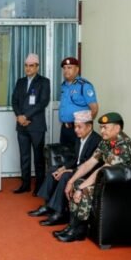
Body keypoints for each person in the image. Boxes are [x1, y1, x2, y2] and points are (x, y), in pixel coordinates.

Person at [57, 112, 131, 242]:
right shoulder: (106, 142)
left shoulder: (123, 145)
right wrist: (71, 181)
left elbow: (103, 169)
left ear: (117, 128)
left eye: (105, 127)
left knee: (85, 189)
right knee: (76, 183)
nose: (101, 131)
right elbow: (90, 163)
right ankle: (72, 225)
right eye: (101, 127)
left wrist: (81, 188)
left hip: (125, 187)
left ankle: (79, 230)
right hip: (110, 181)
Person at [28, 110, 101, 226]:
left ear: (89, 126)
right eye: (75, 126)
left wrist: (69, 170)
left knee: (65, 176)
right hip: (77, 168)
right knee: (53, 170)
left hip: (87, 173)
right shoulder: (79, 137)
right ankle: (48, 206)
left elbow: (88, 165)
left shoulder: (96, 141)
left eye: (79, 127)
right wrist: (63, 167)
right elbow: (76, 158)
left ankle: (60, 212)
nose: (76, 130)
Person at [11, 53, 51, 195]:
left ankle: (39, 186)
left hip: (36, 126)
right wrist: (19, 116)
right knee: (24, 156)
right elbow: (14, 101)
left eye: (31, 66)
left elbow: (43, 102)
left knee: (38, 157)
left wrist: (26, 116)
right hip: (21, 125)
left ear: (37, 67)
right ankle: (25, 184)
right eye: (26, 66)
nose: (28, 68)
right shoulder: (20, 82)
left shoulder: (44, 82)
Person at [58, 57, 98, 147]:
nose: (66, 70)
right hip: (65, 128)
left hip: (80, 129)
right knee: (64, 153)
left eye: (69, 67)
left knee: (79, 154)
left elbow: (94, 109)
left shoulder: (84, 85)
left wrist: (85, 127)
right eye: (64, 68)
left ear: (77, 69)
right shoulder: (64, 86)